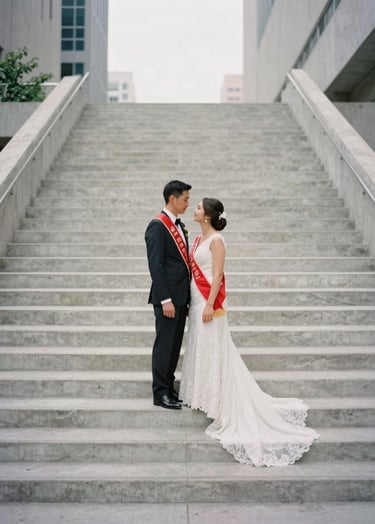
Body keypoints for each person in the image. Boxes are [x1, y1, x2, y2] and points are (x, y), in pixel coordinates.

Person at [180, 197, 320, 466]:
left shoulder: (217, 241)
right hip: (197, 300)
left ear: (207, 215)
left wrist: (210, 304)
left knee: (214, 346)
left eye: (198, 207)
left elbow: (218, 276)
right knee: (200, 344)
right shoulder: (197, 241)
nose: (194, 210)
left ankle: (218, 398)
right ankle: (202, 393)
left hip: (211, 302)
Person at [145, 180, 192, 410]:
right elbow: (156, 266)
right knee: (164, 345)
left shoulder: (179, 225)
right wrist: (165, 299)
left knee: (174, 346)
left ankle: (169, 389)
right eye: (185, 199)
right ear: (172, 199)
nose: (187, 203)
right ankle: (160, 392)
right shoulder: (157, 226)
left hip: (181, 298)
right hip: (168, 300)